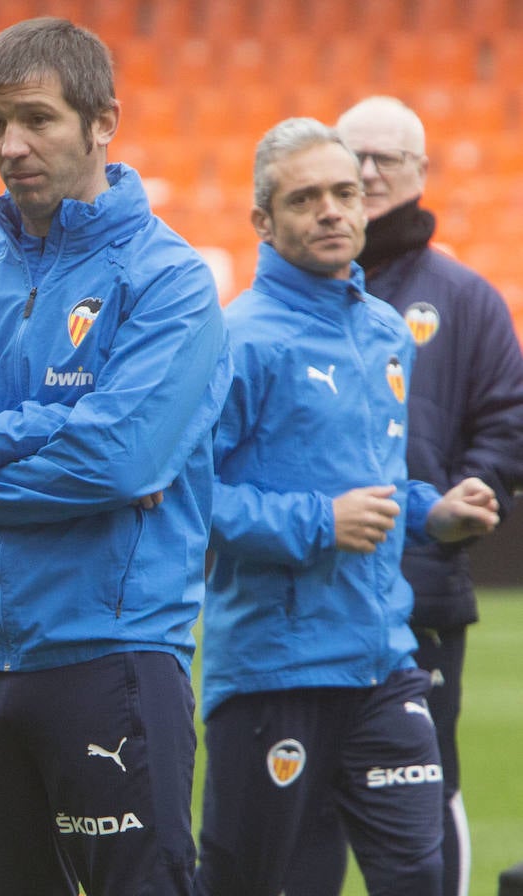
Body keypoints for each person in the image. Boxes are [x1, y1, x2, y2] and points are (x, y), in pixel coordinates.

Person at [0, 17, 231, 896]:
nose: (10, 145)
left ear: (103, 121)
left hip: (109, 656)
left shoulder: (168, 278)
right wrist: (35, 428)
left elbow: (118, 461)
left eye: (37, 119)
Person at [194, 117, 501, 896]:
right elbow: (190, 499)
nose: (332, 210)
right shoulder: (235, 340)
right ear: (263, 222)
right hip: (274, 672)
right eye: (305, 199)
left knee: (418, 876)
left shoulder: (387, 332)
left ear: (366, 209)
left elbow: (382, 483)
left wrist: (434, 512)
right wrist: (320, 525)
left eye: (345, 193)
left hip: (383, 659)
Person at [282, 95, 523, 896]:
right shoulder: (291, 303)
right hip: (304, 588)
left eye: (392, 158)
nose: (374, 171)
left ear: (423, 174)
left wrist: (465, 500)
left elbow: (506, 423)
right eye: (359, 156)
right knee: (300, 802)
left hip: (421, 589)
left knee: (426, 787)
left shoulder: (466, 298)